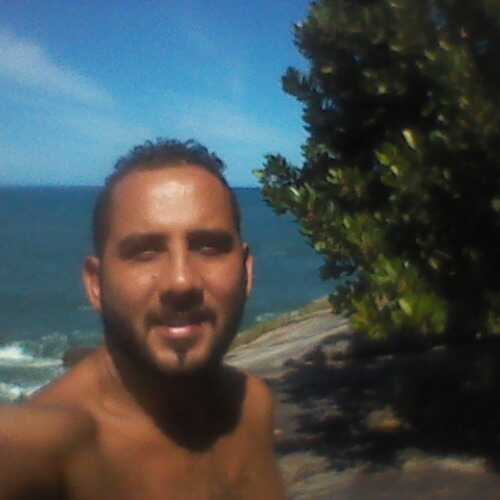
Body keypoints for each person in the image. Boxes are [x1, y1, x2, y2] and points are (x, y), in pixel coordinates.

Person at [0, 139, 287, 499]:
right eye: (144, 252)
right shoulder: (34, 451)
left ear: (246, 271)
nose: (180, 281)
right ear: (96, 284)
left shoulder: (252, 405)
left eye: (209, 247)